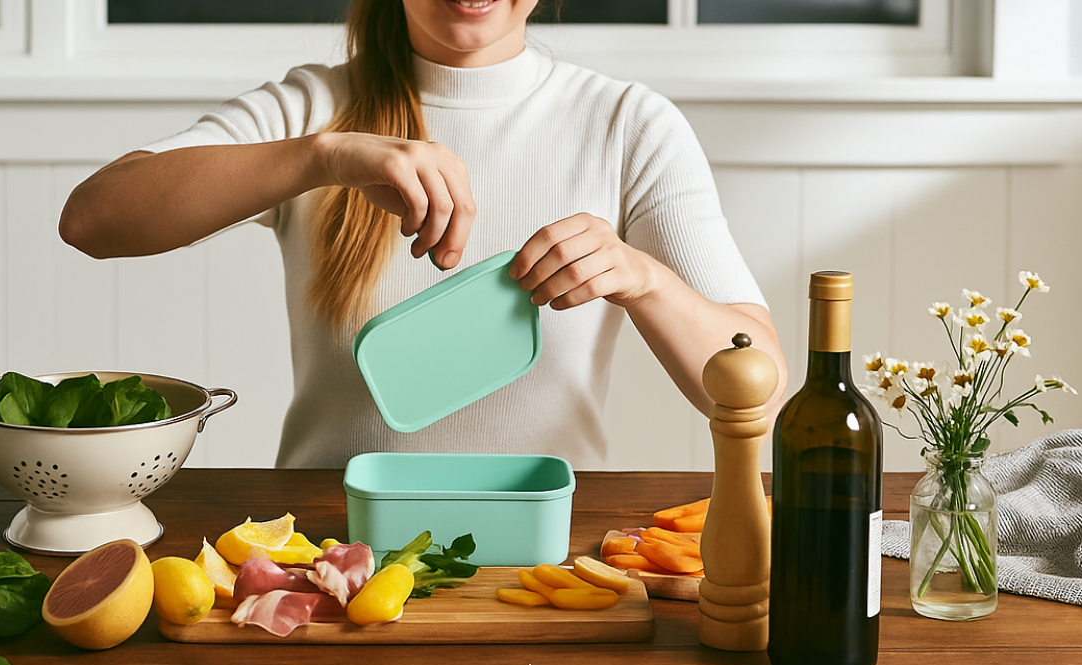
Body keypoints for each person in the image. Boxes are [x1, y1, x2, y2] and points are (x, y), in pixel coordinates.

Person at [59, 0, 786, 469]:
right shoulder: (315, 107)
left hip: (547, 555)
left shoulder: (629, 125)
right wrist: (323, 155)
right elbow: (92, 219)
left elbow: (762, 387)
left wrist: (644, 278)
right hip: (327, 549)